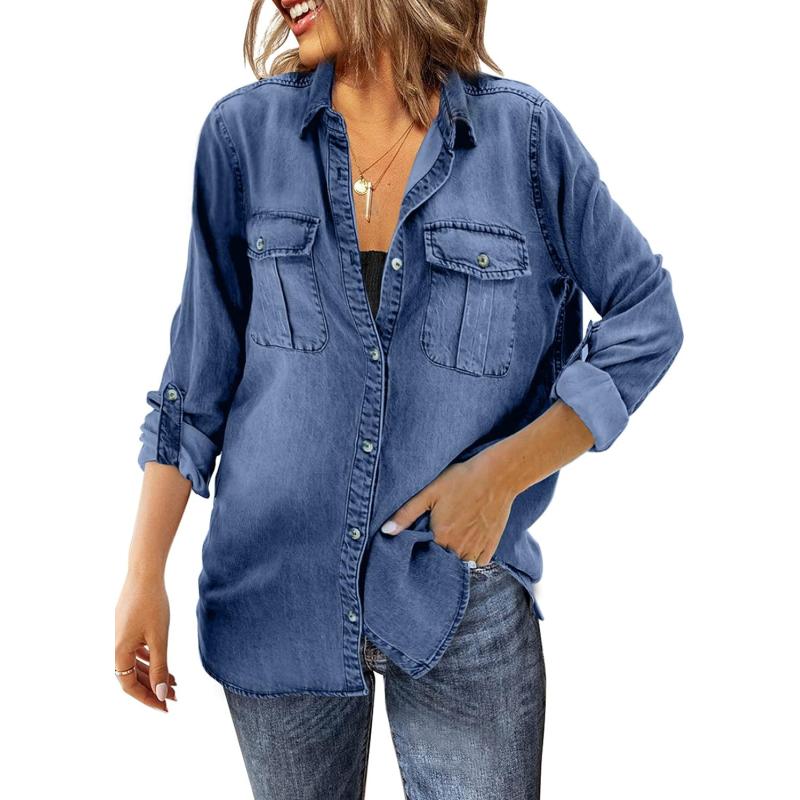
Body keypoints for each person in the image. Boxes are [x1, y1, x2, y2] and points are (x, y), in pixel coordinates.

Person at [115, 0, 684, 797]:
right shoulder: (242, 139)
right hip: (277, 595)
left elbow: (647, 316)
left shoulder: (521, 139)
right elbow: (194, 383)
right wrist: (143, 573)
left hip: (462, 595)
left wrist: (500, 477)